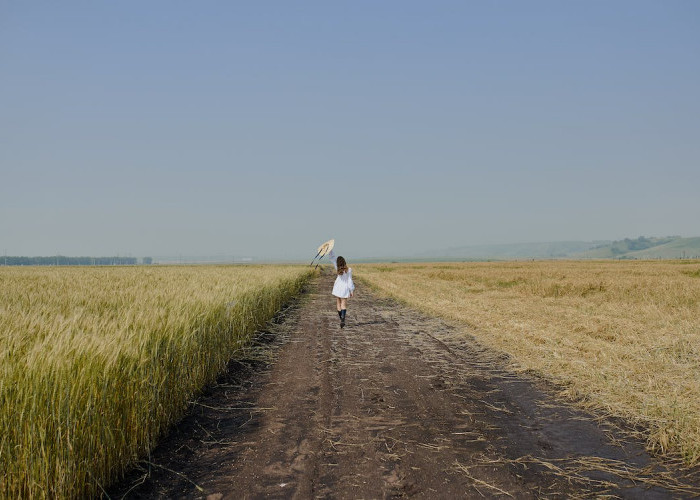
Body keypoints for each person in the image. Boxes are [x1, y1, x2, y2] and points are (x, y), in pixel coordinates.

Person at [327, 249, 355, 328]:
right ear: (344, 262)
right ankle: (343, 319)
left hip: (337, 287)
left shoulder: (337, 268)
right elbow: (350, 281)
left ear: (338, 263)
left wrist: (330, 250)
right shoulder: (349, 270)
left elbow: (332, 258)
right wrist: (351, 290)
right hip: (345, 288)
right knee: (344, 304)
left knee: (338, 303)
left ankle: (341, 319)